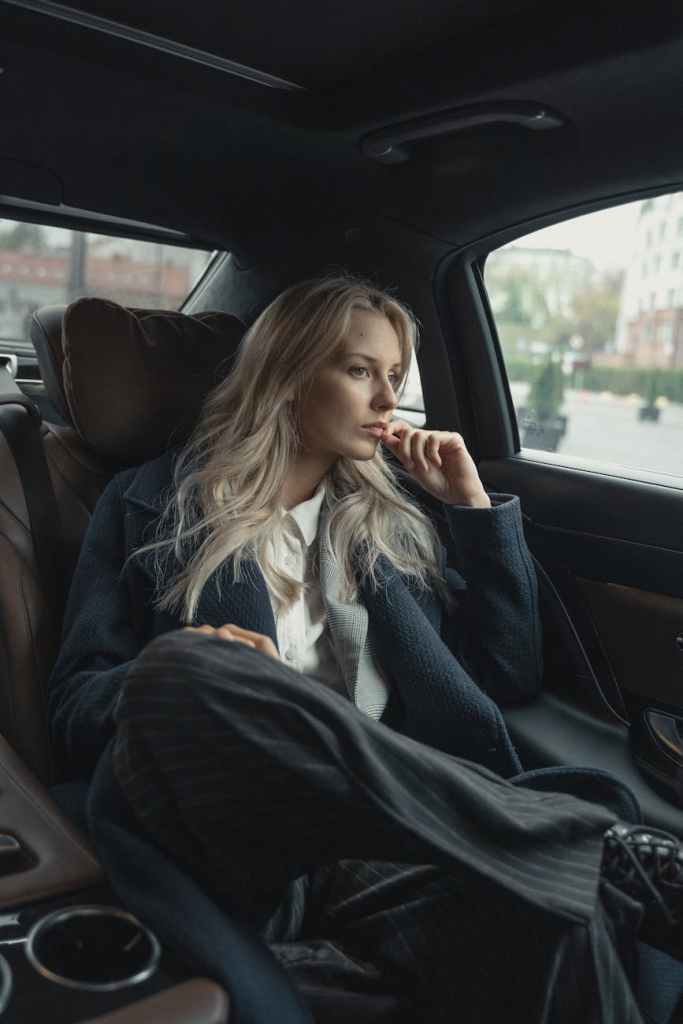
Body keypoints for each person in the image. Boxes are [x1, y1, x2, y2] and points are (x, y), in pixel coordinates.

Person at [49, 276, 683, 1023]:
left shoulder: (391, 522)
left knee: (564, 916)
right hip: (228, 820)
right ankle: (587, 845)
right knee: (190, 666)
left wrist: (471, 512)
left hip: (380, 839)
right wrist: (203, 657)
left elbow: (503, 676)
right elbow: (72, 704)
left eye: (393, 377)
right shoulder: (145, 500)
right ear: (284, 374)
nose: (387, 401)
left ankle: (570, 857)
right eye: (358, 371)